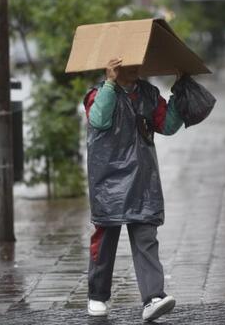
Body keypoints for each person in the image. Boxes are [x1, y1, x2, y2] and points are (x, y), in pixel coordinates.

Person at [83, 58, 184, 321]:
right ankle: (97, 296)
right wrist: (109, 84)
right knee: (105, 241)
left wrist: (181, 91)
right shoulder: (98, 94)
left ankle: (153, 297)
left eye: (137, 62)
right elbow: (99, 120)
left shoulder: (148, 93)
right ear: (112, 67)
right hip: (109, 180)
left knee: (146, 238)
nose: (135, 67)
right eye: (126, 63)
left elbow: (167, 126)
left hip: (142, 179)